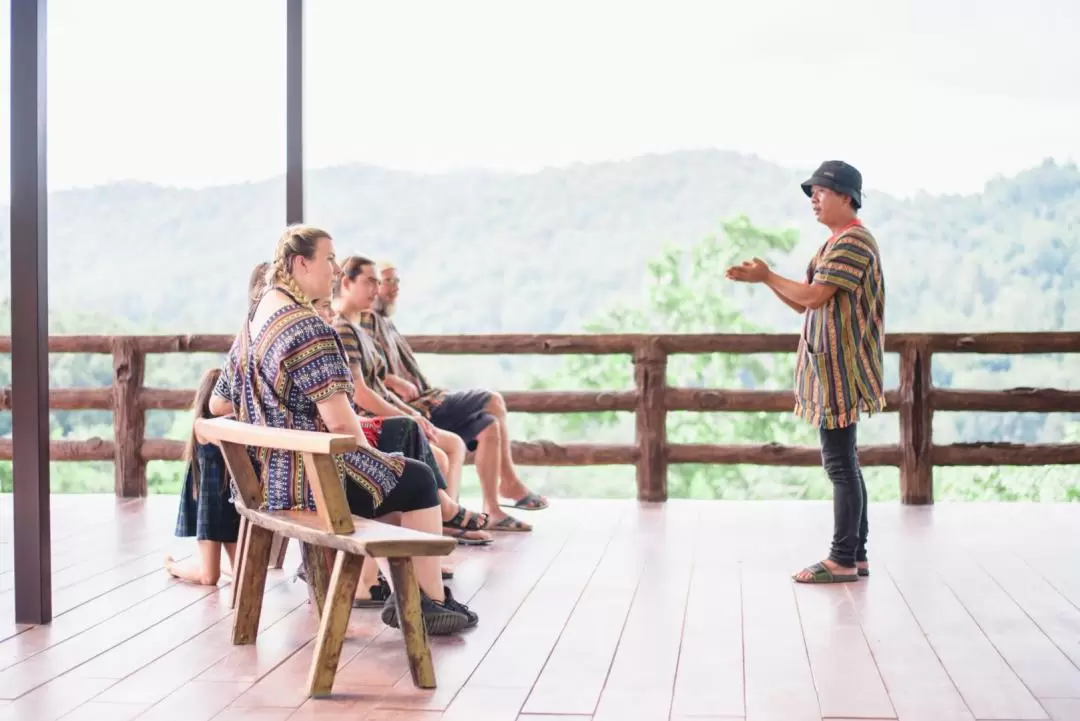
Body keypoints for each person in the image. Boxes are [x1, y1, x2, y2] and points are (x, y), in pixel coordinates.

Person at [214, 224, 477, 633]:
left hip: (266, 480)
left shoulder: (253, 323)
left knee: (395, 476)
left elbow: (218, 402)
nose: (336, 269)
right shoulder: (306, 328)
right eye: (329, 258)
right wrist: (382, 461)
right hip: (309, 484)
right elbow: (343, 427)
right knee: (417, 477)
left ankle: (411, 594)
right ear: (301, 263)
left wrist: (275, 408)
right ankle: (427, 601)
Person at [725, 160, 885, 584]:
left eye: (821, 191)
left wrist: (767, 275)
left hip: (841, 367)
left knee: (839, 464)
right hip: (832, 365)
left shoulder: (852, 242)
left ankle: (843, 558)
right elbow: (803, 302)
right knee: (845, 460)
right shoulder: (834, 243)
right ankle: (856, 554)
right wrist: (765, 281)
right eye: (811, 192)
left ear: (846, 197)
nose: (813, 199)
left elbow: (813, 296)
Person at [367, 261, 548, 531]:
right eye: (386, 281)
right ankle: (508, 483)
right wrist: (391, 380)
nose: (394, 288)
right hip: (419, 406)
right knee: (493, 399)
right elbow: (363, 373)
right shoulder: (363, 323)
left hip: (427, 397)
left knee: (489, 425)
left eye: (397, 282)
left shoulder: (385, 322)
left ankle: (493, 509)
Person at [165, 367, 241, 585]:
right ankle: (173, 566)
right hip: (210, 506)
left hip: (232, 505)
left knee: (243, 575)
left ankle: (224, 568)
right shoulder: (202, 425)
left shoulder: (235, 424)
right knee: (209, 578)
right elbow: (224, 439)